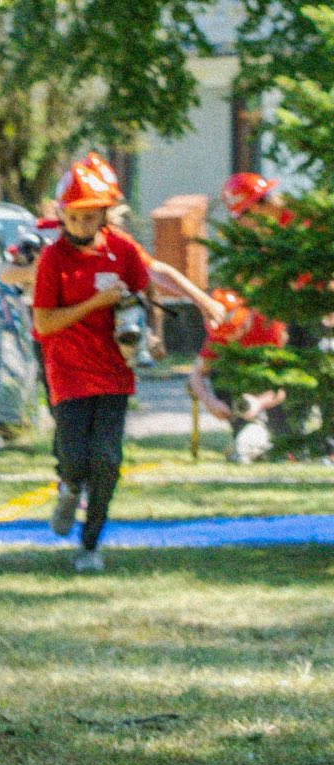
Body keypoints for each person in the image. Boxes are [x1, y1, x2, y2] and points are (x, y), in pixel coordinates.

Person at [33, 153, 224, 573]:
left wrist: (171, 323)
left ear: (105, 214)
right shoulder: (53, 259)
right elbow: (44, 323)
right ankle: (68, 487)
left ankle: (90, 544)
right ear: (62, 215)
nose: (81, 225)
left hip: (113, 371)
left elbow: (152, 283)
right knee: (74, 457)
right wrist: (96, 302)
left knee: (107, 460)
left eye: (90, 216)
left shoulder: (121, 248)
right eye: (74, 217)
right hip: (67, 372)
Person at [189, 287, 287, 463]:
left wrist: (259, 402)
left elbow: (285, 382)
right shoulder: (218, 334)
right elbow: (196, 374)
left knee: (280, 439)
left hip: (269, 391)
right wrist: (210, 402)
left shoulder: (271, 327)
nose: (231, 337)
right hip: (239, 390)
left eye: (235, 330)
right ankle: (245, 433)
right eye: (226, 333)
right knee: (218, 371)